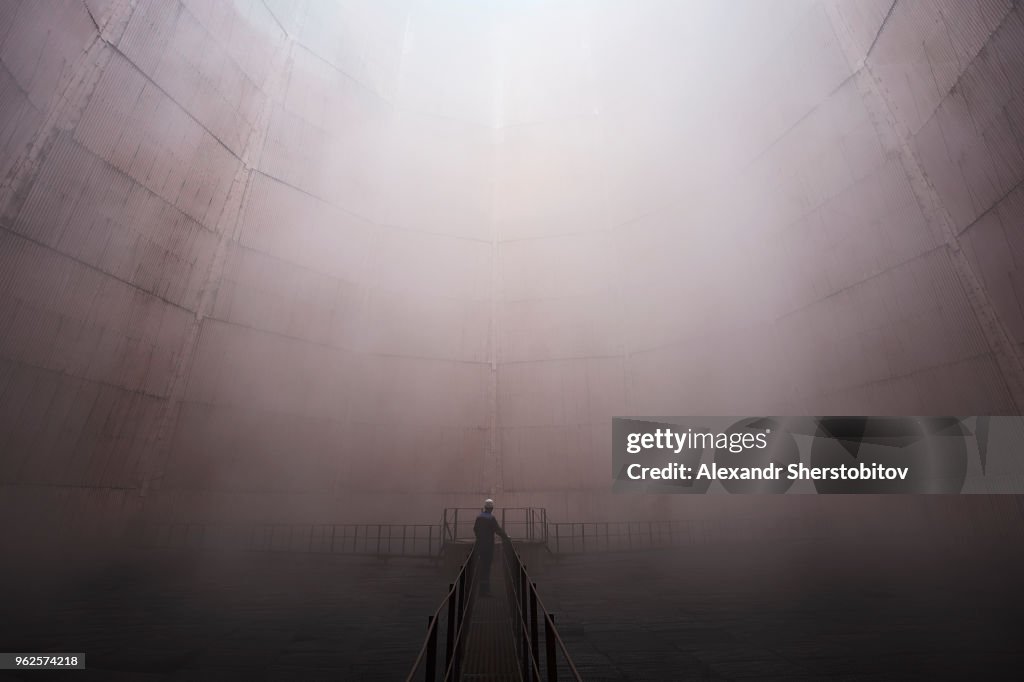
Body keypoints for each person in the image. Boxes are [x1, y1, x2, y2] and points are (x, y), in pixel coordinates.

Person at [473, 499, 509, 596]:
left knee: (481, 567)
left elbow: (475, 529)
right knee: (487, 568)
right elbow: (497, 530)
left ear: (485, 507)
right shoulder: (491, 518)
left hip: (480, 546)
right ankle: (485, 591)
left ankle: (481, 589)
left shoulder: (479, 517)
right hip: (488, 547)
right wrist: (506, 537)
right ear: (492, 508)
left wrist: (480, 538)